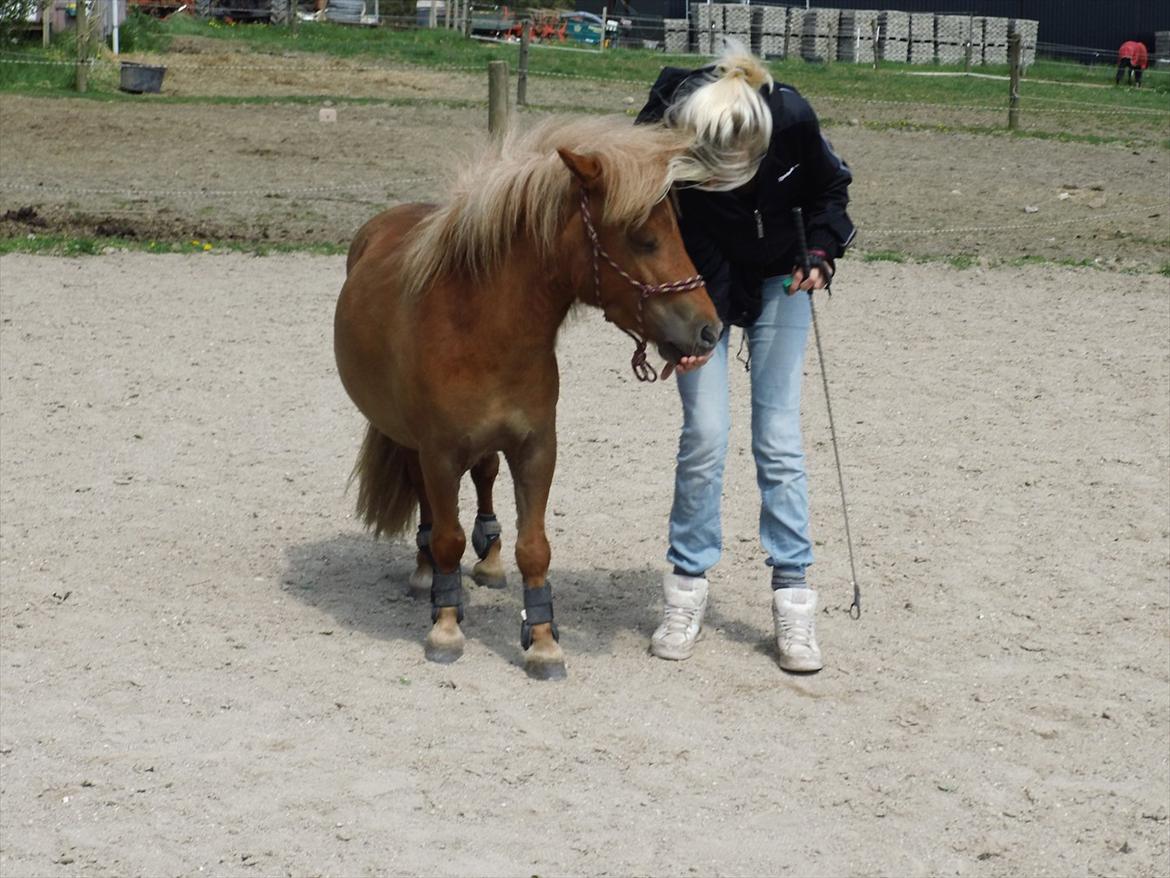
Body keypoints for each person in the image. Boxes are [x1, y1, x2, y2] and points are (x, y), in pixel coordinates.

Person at [635, 46, 854, 672]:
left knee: (778, 437)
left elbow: (829, 192)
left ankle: (793, 600)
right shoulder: (670, 131)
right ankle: (686, 589)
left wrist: (821, 253)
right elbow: (661, 230)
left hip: (784, 275)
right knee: (705, 434)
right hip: (699, 286)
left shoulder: (790, 118)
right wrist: (688, 337)